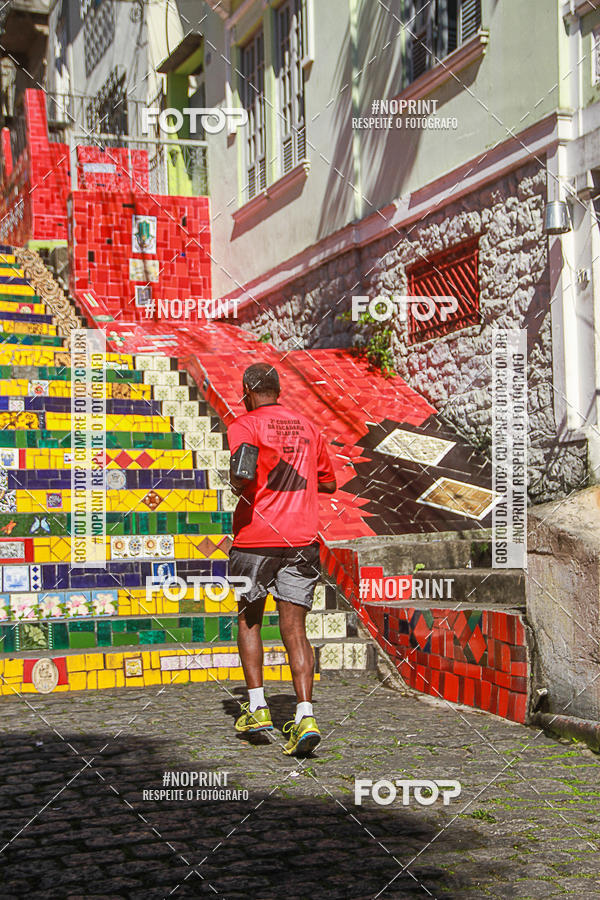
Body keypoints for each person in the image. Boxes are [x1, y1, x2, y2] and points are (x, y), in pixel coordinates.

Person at [227, 363, 336, 756]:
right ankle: (305, 714)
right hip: (302, 539)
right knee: (295, 631)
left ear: (246, 390)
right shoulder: (309, 427)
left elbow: (242, 471)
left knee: (249, 620)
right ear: (277, 390)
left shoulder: (246, 423)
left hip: (255, 539)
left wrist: (239, 483)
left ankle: (257, 708)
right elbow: (329, 482)